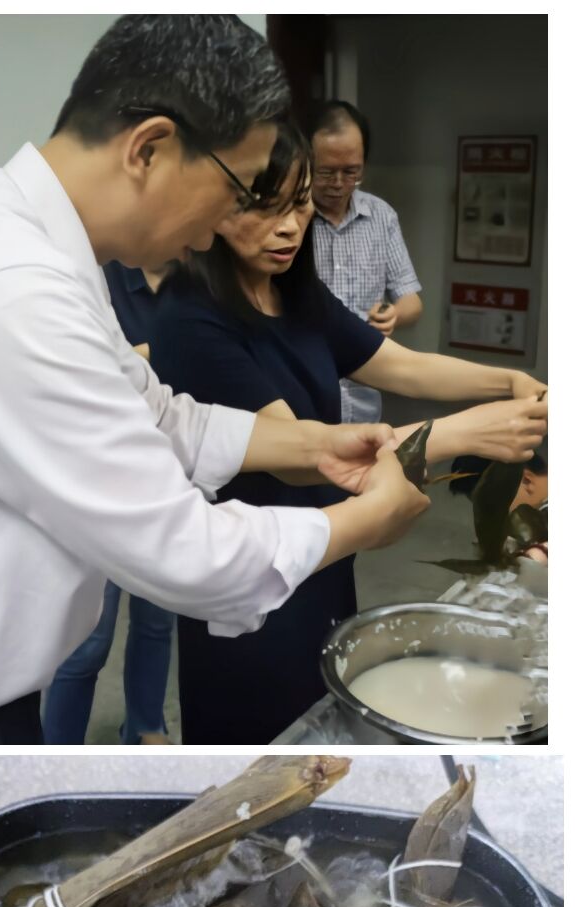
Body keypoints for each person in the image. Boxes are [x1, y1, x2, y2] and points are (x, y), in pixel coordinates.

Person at [0, 15, 434, 746]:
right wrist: (367, 520)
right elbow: (182, 550)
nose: (219, 229)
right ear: (150, 149)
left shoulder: (28, 242)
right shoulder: (11, 287)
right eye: (237, 191)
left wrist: (314, 446)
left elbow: (158, 415)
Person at [149, 121, 547, 743]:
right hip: (255, 575)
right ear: (216, 202)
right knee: (265, 738)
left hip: (330, 548)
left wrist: (512, 381)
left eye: (300, 204)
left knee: (328, 714)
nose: (289, 227)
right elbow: (296, 454)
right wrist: (464, 433)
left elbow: (401, 365)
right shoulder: (190, 318)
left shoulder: (295, 293)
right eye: (265, 206)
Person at [44, 260, 176, 744]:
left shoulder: (199, 278)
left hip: (171, 475)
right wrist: (159, 354)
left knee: (157, 622)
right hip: (102, 480)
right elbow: (78, 370)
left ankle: (145, 727)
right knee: (87, 641)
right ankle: (57, 748)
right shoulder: (96, 276)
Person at [307, 100, 424, 424]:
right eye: (326, 172)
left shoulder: (381, 216)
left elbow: (412, 301)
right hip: (306, 388)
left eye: (351, 172)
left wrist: (393, 314)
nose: (338, 183)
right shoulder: (287, 218)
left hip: (364, 396)